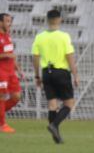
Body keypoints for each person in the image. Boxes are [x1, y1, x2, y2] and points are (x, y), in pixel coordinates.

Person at [32, 9, 78, 144]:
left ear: (47, 20)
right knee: (69, 103)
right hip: (61, 72)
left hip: (46, 72)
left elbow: (35, 58)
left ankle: (56, 136)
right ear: (59, 19)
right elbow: (69, 56)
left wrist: (37, 76)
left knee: (52, 104)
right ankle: (54, 125)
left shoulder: (39, 37)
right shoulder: (64, 36)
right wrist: (75, 74)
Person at [0, 13, 22, 134]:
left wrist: (18, 68)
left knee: (16, 97)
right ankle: (2, 125)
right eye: (7, 21)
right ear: (0, 22)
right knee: (2, 96)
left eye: (10, 21)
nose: (10, 24)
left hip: (11, 72)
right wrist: (6, 55)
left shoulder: (8, 36)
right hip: (1, 72)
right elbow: (8, 55)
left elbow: (11, 54)